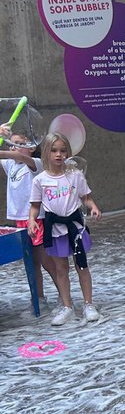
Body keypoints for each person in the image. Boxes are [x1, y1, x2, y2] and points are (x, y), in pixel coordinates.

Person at [28, 131, 102, 326]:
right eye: (54, 150)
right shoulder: (40, 180)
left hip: (75, 228)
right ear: (46, 152)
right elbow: (35, 206)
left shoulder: (75, 175)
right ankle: (67, 305)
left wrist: (93, 206)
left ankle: (88, 304)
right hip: (55, 230)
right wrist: (31, 220)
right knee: (61, 269)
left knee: (82, 266)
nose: (59, 154)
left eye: (63, 150)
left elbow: (85, 197)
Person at [0, 124, 53, 309]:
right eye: (11, 144)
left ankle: (65, 296)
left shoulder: (35, 164)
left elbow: (18, 156)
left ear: (31, 147)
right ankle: (38, 299)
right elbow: (12, 156)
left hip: (36, 218)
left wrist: (8, 151)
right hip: (19, 219)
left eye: (19, 144)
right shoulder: (9, 165)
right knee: (32, 263)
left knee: (46, 261)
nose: (13, 148)